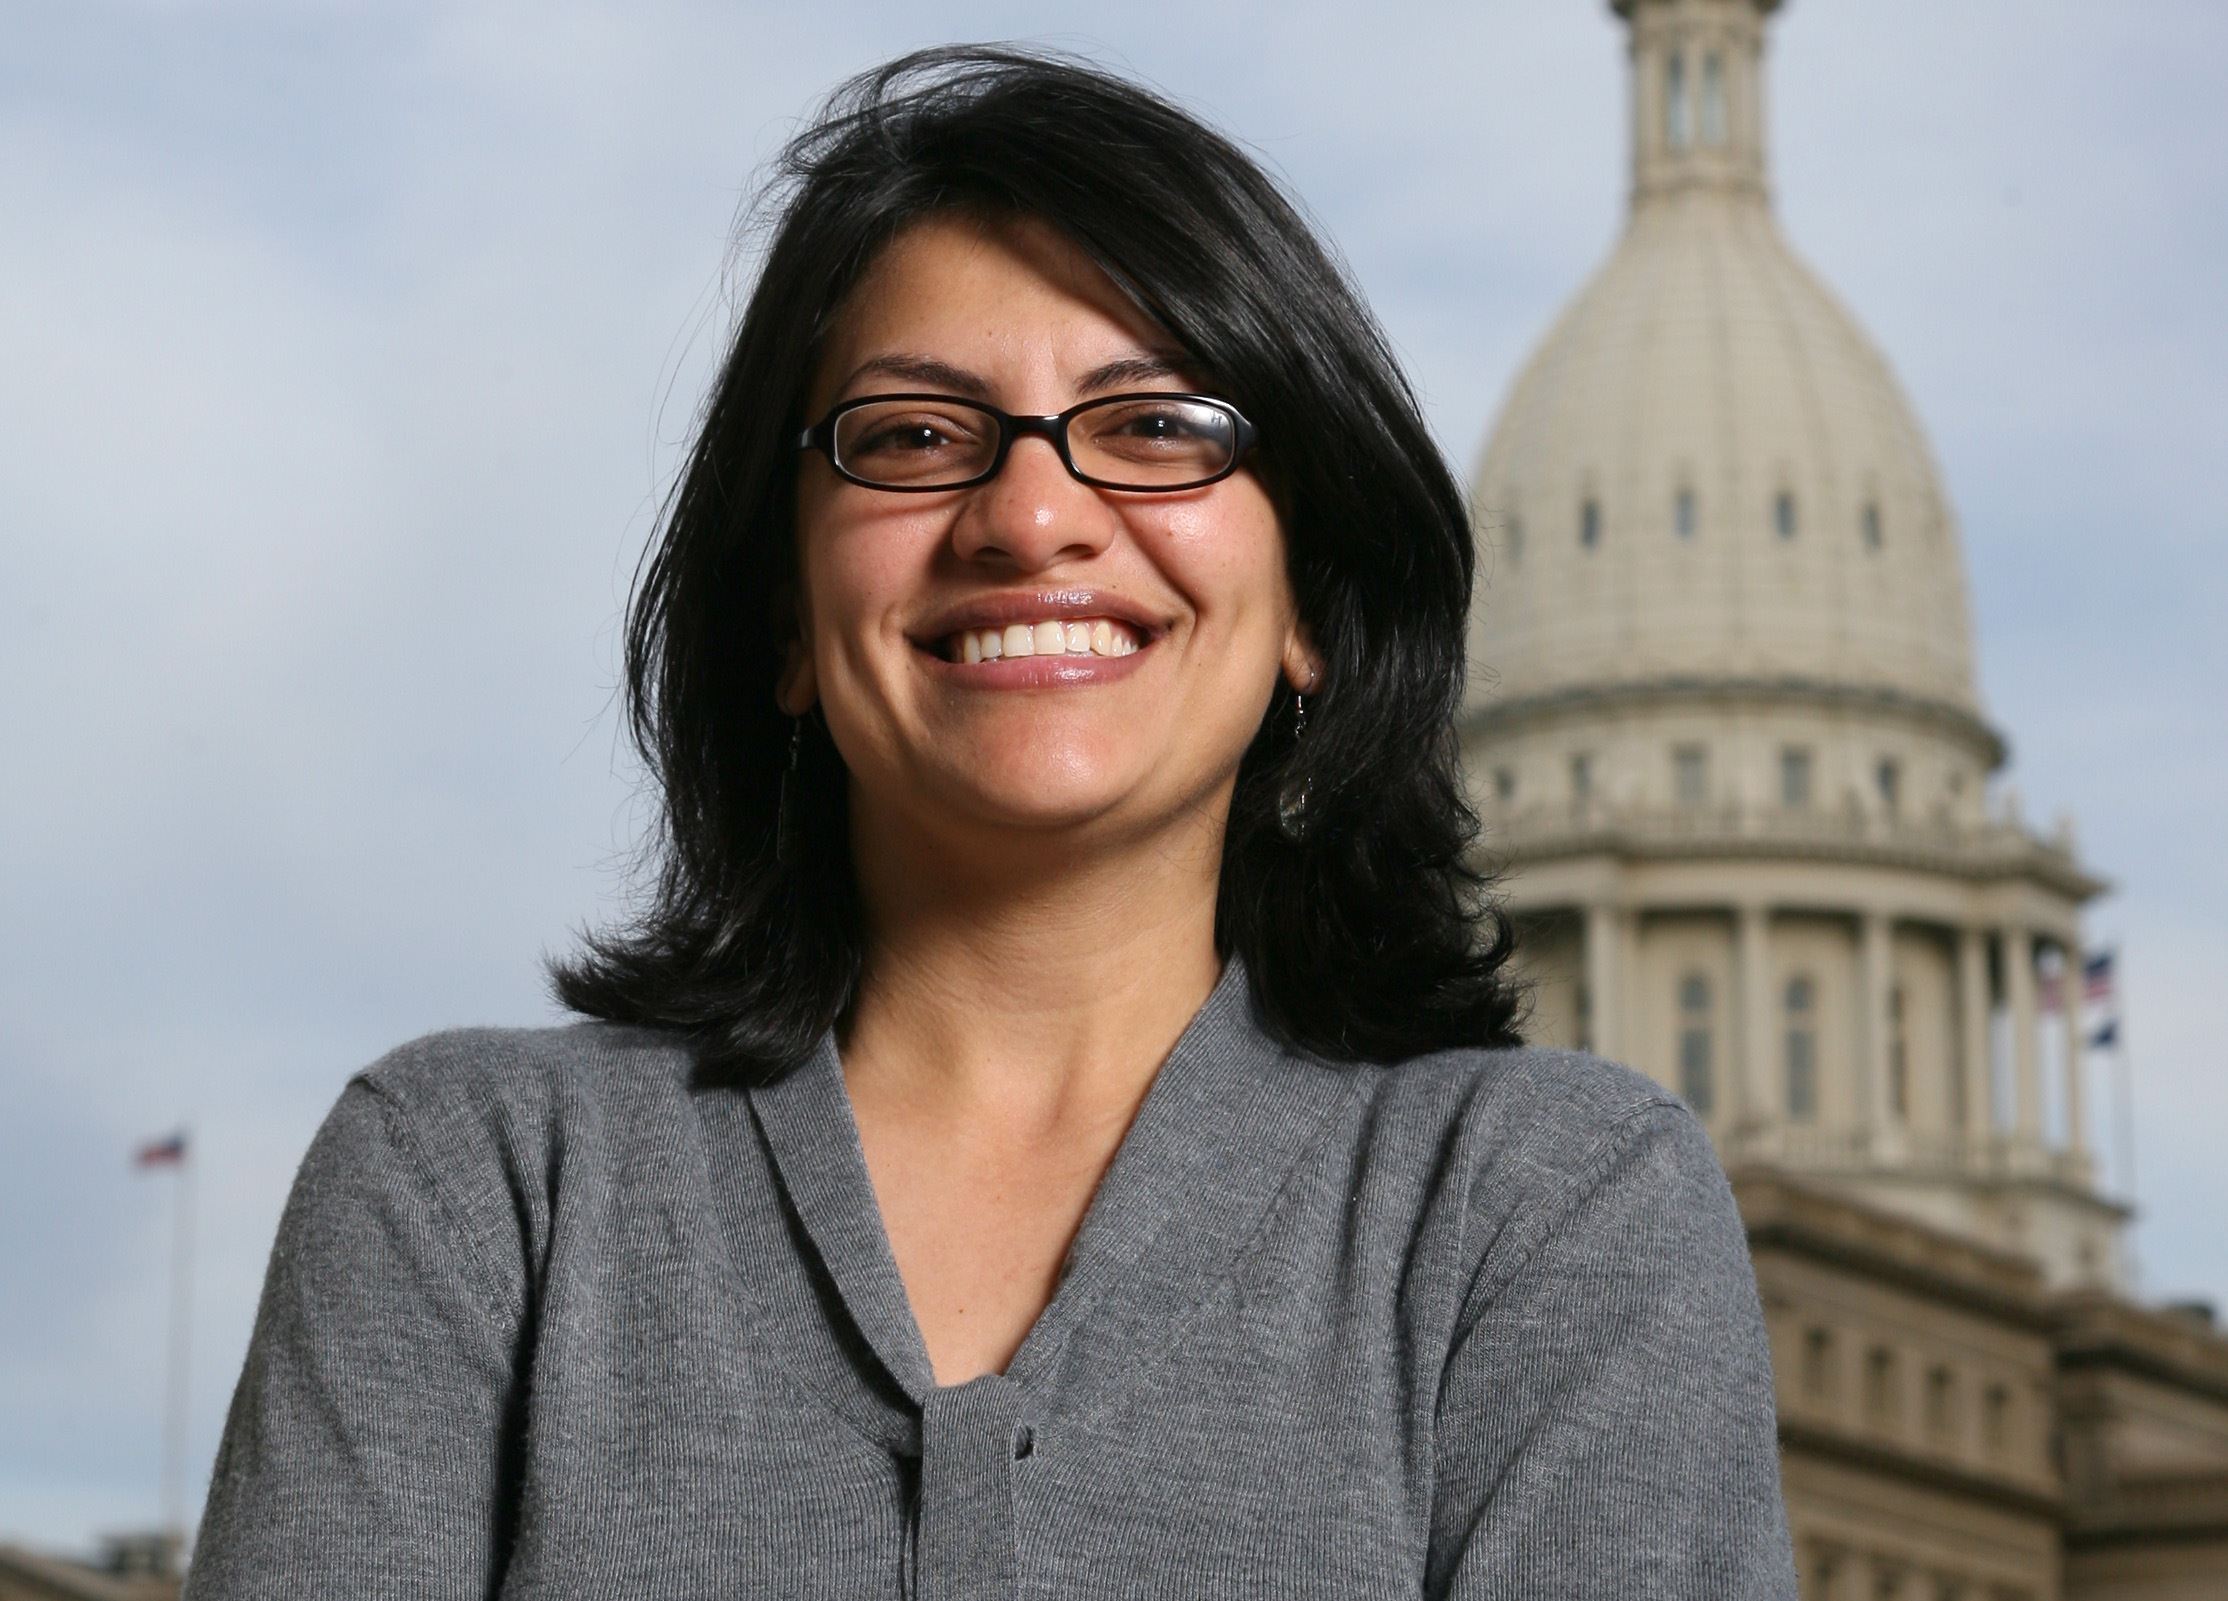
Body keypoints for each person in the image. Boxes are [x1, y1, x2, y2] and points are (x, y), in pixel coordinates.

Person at [185, 44, 1799, 1599]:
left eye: (1157, 425)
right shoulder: (470, 1188)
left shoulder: (1553, 1209)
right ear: (786, 616)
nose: (1032, 517)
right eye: (913, 436)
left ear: (1313, 600)